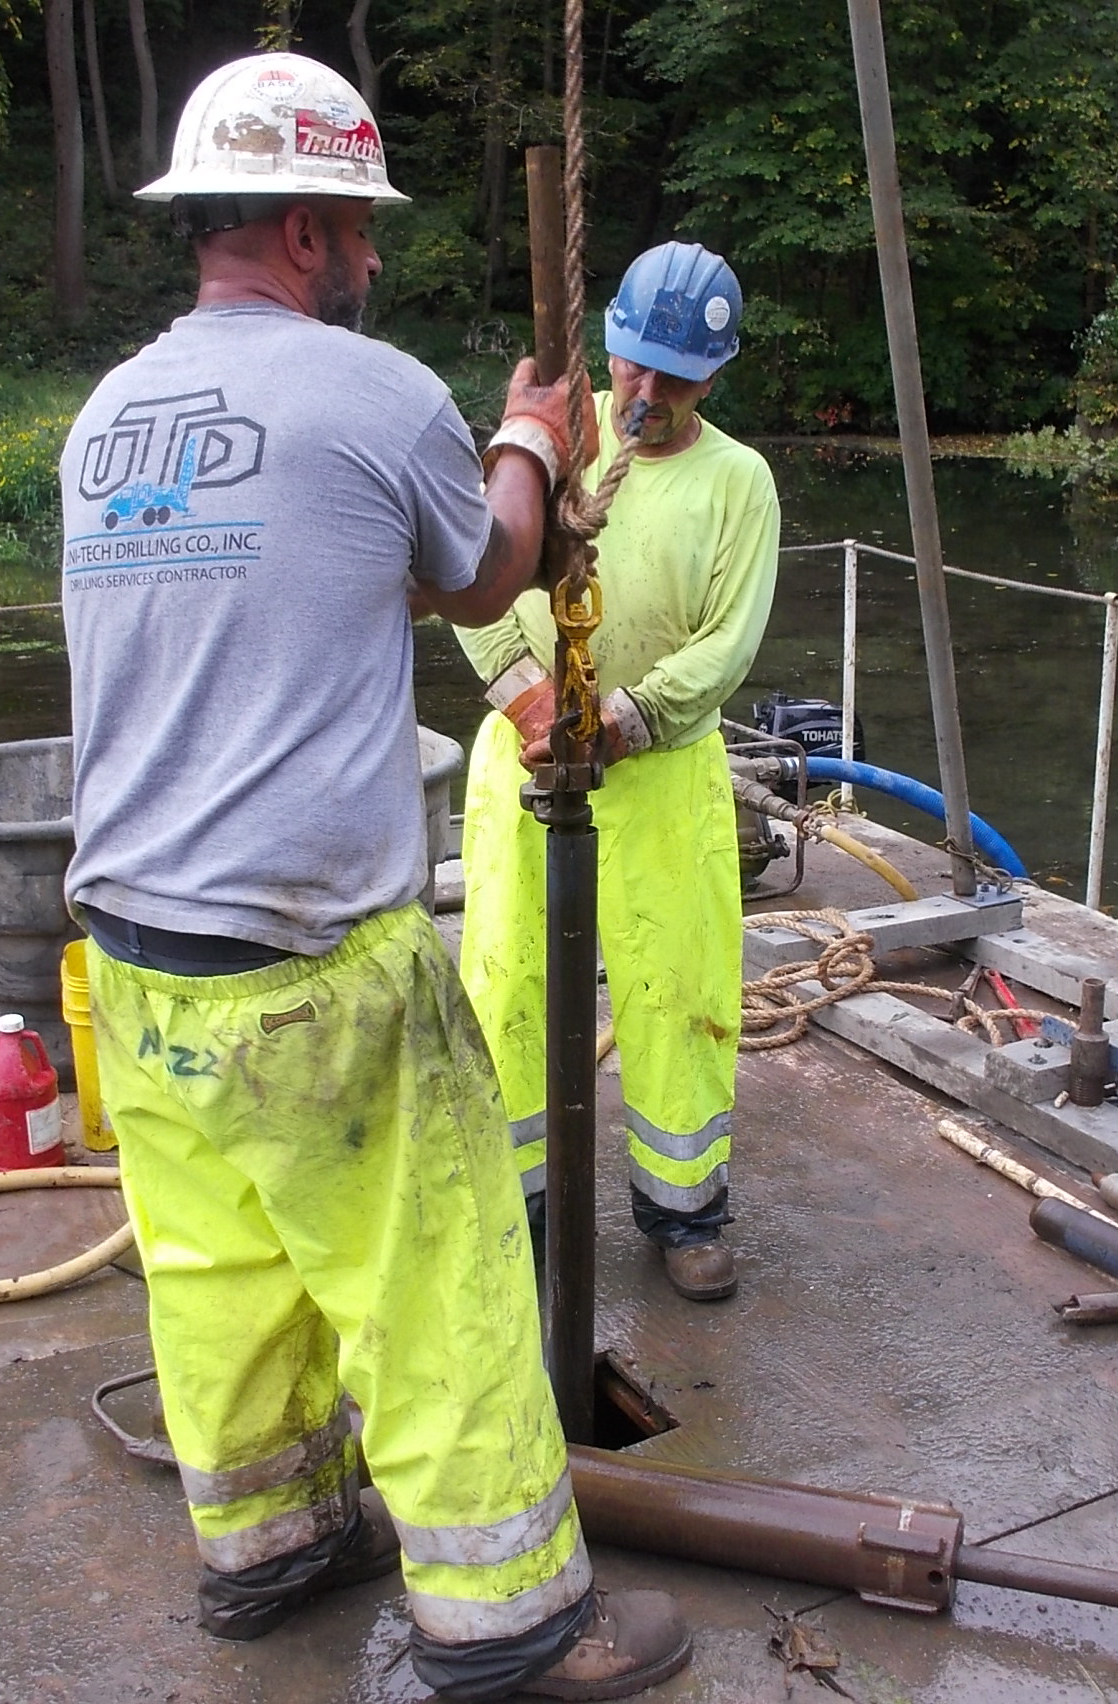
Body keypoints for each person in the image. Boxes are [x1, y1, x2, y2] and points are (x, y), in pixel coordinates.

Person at [60, 53, 689, 1702]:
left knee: (217, 1271)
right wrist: (528, 439)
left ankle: (263, 1545)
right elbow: (484, 562)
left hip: (136, 958)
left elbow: (337, 577)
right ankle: (513, 1621)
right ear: (295, 222)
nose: (371, 258)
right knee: (438, 1276)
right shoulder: (374, 390)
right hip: (307, 960)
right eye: (354, 226)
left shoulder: (110, 417)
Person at [456, 242, 781, 1303]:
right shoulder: (551, 446)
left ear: (714, 377)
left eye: (676, 378)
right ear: (608, 348)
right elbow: (477, 576)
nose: (646, 394)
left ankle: (683, 1210)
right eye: (634, 367)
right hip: (529, 759)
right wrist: (528, 699)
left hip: (663, 774)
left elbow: (727, 645)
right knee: (508, 981)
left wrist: (629, 721)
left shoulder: (738, 484)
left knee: (678, 990)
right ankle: (520, 1208)